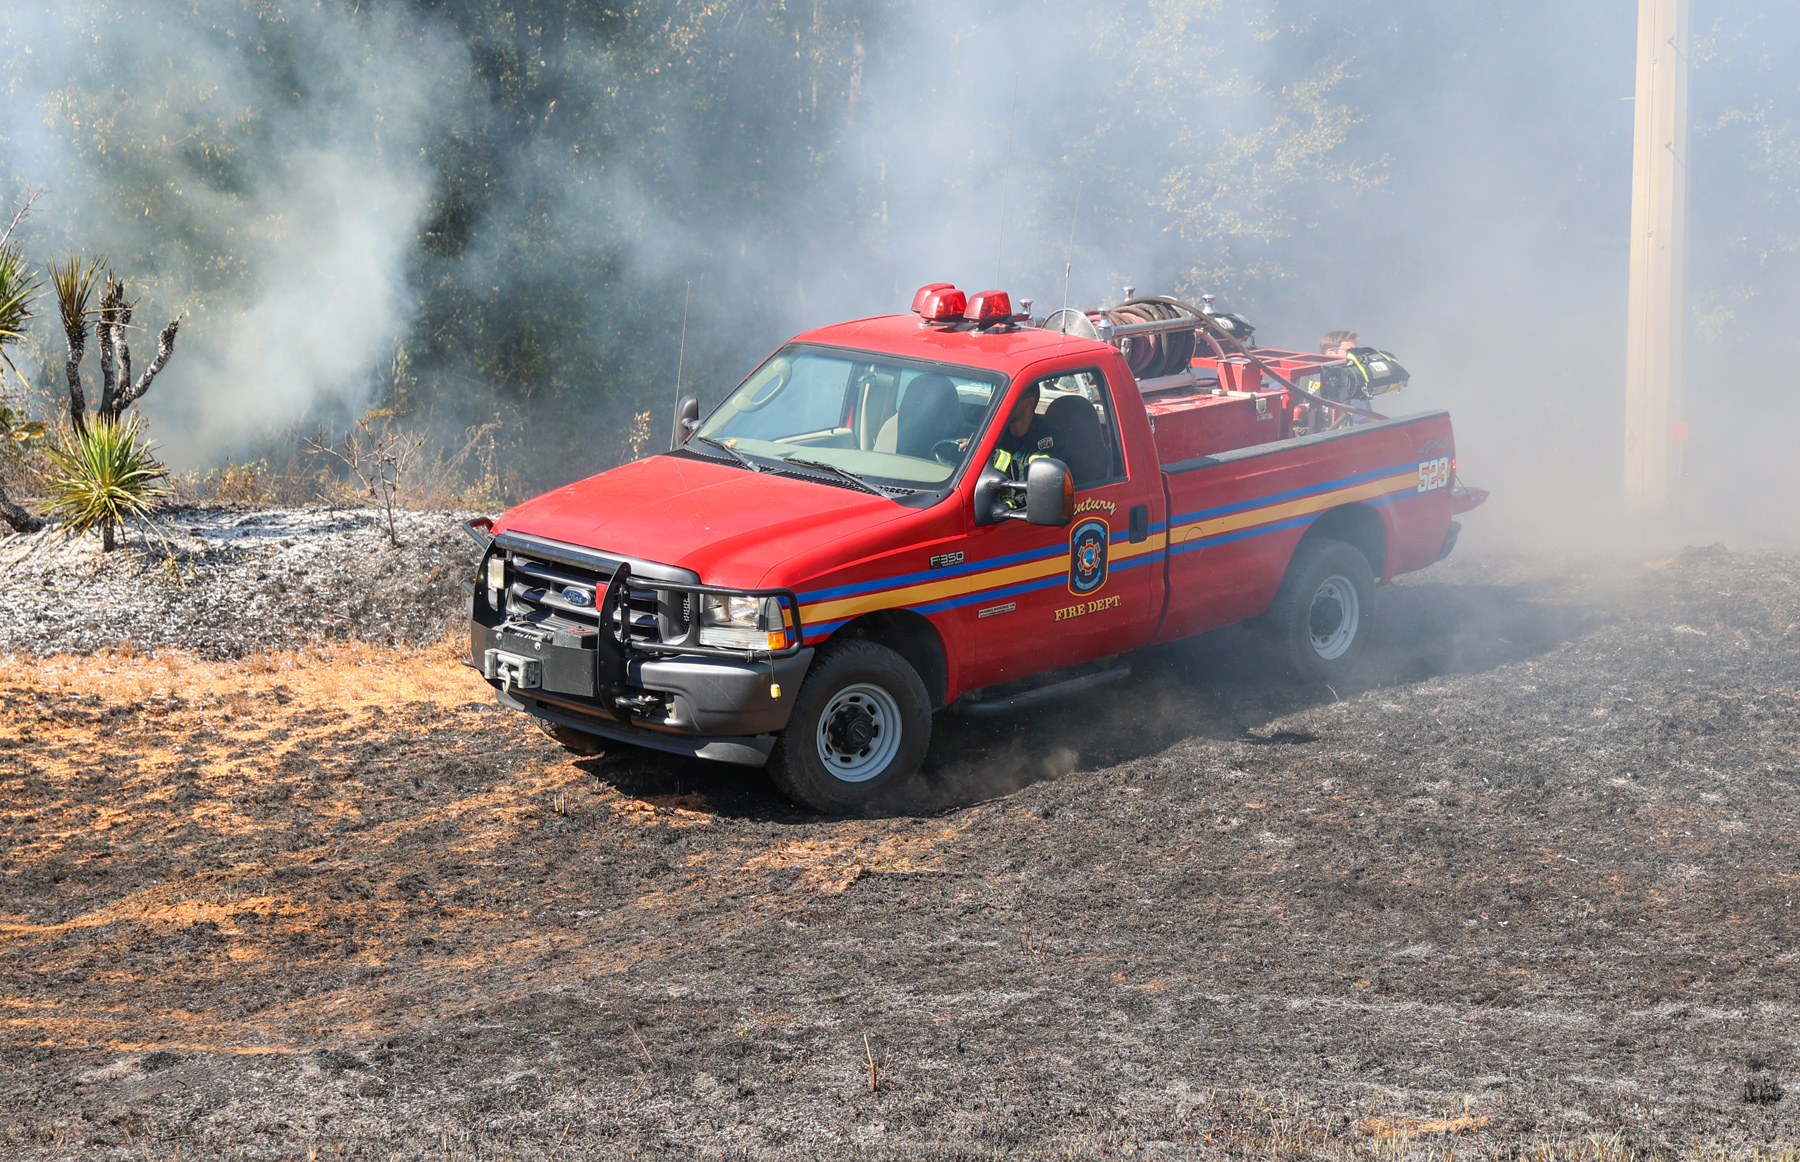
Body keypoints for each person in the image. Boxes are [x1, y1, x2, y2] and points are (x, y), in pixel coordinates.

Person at [990, 380, 1057, 503]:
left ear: (1028, 402)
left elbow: (1042, 493)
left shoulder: (1049, 440)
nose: (998, 404)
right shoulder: (994, 432)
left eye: (1006, 399)